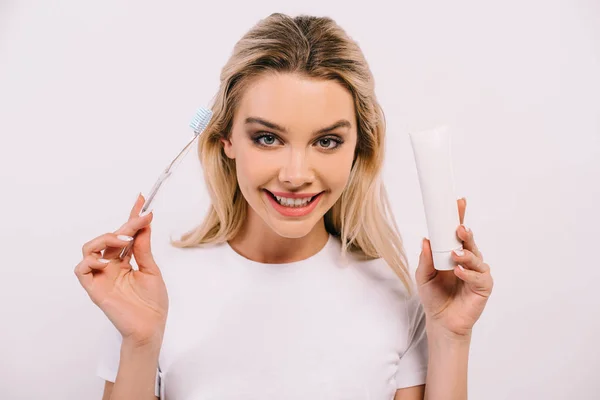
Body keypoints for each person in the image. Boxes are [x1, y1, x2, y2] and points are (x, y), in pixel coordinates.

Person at [74, 13, 494, 400]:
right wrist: (141, 341)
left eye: (327, 141)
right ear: (227, 140)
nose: (296, 174)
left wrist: (451, 337)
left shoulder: (398, 296)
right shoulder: (154, 293)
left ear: (356, 150)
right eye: (268, 138)